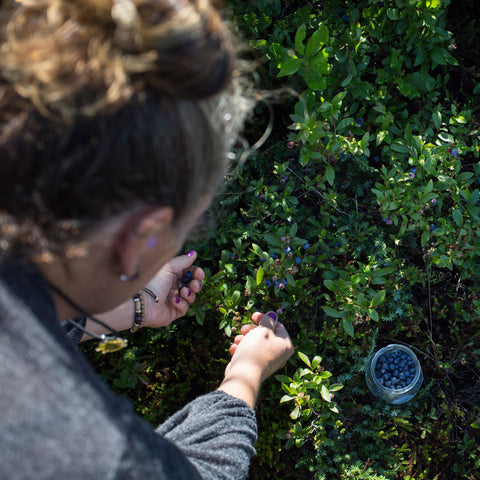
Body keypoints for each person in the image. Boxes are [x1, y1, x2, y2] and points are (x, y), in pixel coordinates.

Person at [0, 0, 295, 479]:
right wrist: (245, 374)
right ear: (141, 237)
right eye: (186, 226)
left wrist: (130, 307)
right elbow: (206, 471)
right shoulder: (82, 452)